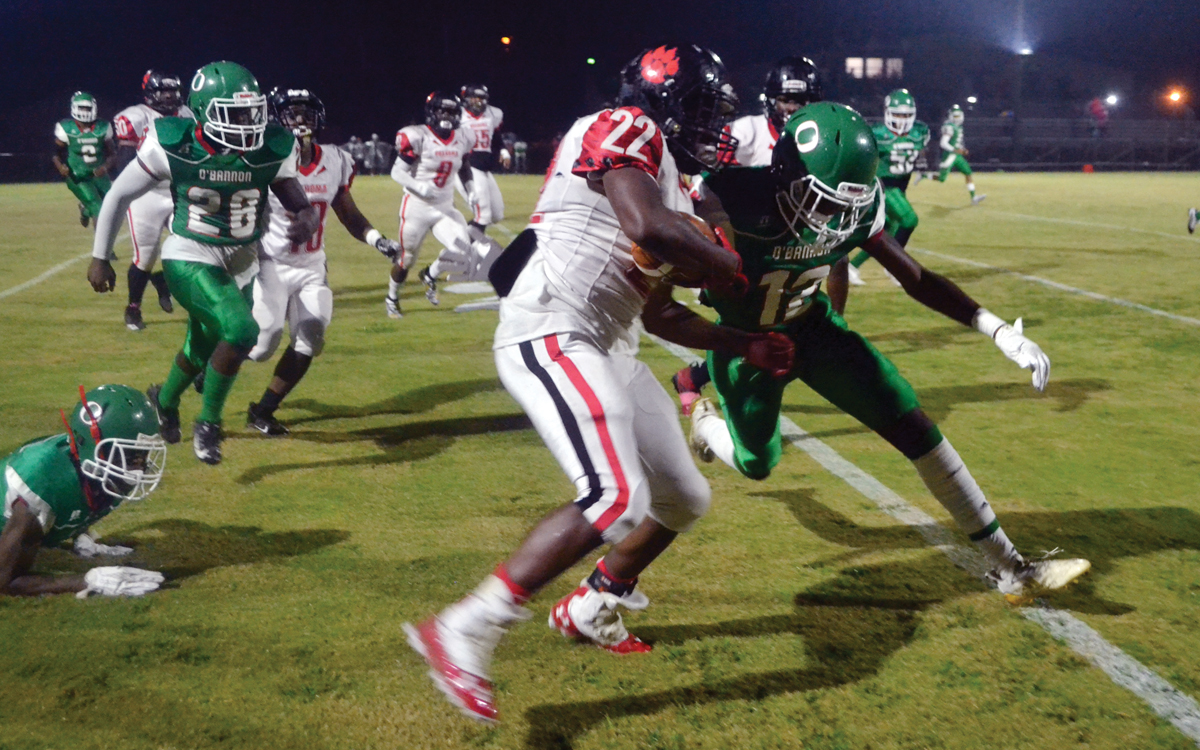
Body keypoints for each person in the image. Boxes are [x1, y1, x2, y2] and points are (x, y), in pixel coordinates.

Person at [403, 43, 764, 725]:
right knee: (616, 498)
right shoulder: (627, 124)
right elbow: (646, 226)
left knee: (684, 497)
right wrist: (726, 266)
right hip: (552, 326)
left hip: (608, 342)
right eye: (700, 110)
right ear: (662, 99)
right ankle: (464, 627)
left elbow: (659, 312)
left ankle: (592, 606)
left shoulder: (674, 180)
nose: (712, 127)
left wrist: (741, 340)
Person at [670, 103, 1087, 605]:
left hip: (813, 329)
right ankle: (704, 420)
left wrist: (995, 328)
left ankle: (1012, 567)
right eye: (823, 202)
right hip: (745, 346)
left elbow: (914, 277)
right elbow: (663, 285)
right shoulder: (726, 197)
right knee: (756, 462)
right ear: (785, 176)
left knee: (914, 426)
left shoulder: (855, 204)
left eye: (847, 205)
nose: (835, 219)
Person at [88, 61, 318, 465]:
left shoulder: (273, 146)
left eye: (251, 112)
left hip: (242, 261)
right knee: (241, 330)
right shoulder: (173, 143)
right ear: (204, 112)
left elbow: (295, 197)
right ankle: (208, 423)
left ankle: (165, 400)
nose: (247, 123)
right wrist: (100, 256)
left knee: (201, 347)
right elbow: (119, 194)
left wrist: (307, 217)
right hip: (190, 253)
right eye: (235, 114)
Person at [245, 88, 401, 435]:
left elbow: (348, 213)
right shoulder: (264, 157)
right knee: (261, 346)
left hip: (311, 266)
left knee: (311, 337)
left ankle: (263, 410)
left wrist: (377, 240)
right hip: (270, 263)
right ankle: (213, 365)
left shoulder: (335, 160)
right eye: (292, 112)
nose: (300, 119)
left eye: (306, 112)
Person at [1, 385, 167, 598]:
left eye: (142, 454)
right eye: (129, 453)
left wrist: (80, 534)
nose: (139, 467)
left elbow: (82, 493)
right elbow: (5, 580)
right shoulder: (44, 480)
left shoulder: (100, 468)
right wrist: (87, 581)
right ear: (92, 445)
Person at [387, 92, 486, 315]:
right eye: (443, 111)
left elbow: (464, 166)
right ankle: (392, 297)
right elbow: (396, 172)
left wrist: (471, 189)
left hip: (444, 207)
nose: (447, 116)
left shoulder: (462, 137)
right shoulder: (418, 136)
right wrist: (418, 186)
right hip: (417, 207)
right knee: (406, 260)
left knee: (463, 251)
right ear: (432, 112)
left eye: (452, 112)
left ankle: (430, 274)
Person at [112, 70, 194, 331]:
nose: (169, 97)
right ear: (150, 94)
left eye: (173, 92)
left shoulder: (189, 115)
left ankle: (164, 280)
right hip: (146, 194)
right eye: (163, 92)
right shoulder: (136, 116)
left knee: (194, 246)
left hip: (179, 192)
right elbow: (126, 161)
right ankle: (133, 307)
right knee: (145, 256)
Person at [845, 88, 931, 285]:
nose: (902, 119)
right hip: (882, 185)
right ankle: (896, 267)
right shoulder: (877, 134)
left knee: (887, 233)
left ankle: (852, 267)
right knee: (909, 219)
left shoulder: (919, 132)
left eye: (906, 115)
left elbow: (921, 151)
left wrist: (922, 163)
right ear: (888, 113)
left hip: (900, 187)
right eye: (898, 114)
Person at [53, 92, 115, 228]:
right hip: (77, 176)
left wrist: (105, 167)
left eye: (87, 108)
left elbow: (113, 154)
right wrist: (60, 166)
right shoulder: (67, 128)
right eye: (82, 108)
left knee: (111, 206)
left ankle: (85, 210)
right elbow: (55, 153)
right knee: (98, 207)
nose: (85, 111)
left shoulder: (102, 127)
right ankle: (103, 243)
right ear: (74, 108)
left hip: (98, 175)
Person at [454, 84, 506, 234]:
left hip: (484, 167)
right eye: (475, 98)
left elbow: (496, 137)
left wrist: (504, 151)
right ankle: (465, 245)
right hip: (466, 168)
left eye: (482, 98)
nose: (479, 101)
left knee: (496, 215)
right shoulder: (457, 115)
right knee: (483, 215)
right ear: (466, 99)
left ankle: (461, 238)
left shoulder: (493, 114)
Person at [933, 104, 984, 204]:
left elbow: (957, 142)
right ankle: (924, 175)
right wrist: (955, 150)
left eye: (958, 115)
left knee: (968, 173)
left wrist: (962, 149)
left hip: (957, 155)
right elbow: (943, 143)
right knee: (942, 179)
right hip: (949, 155)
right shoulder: (949, 127)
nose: (958, 118)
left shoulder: (958, 127)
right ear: (951, 116)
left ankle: (974, 197)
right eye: (955, 116)